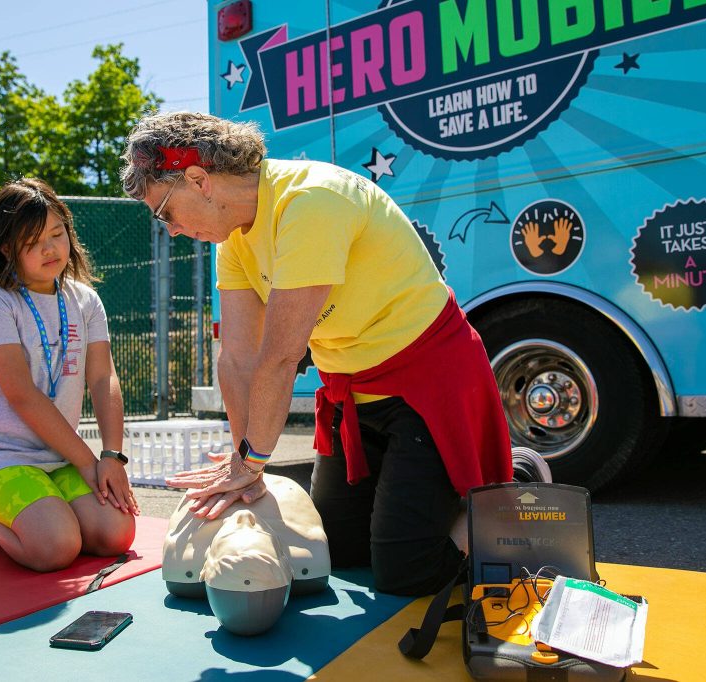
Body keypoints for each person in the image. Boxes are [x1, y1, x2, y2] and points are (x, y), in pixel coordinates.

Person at [121, 112, 548, 598]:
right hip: (353, 393)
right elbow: (238, 357)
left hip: (428, 383)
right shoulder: (234, 237)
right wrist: (245, 465)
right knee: (337, 552)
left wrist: (252, 463)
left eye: (164, 212)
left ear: (199, 180)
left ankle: (514, 478)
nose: (171, 230)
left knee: (408, 572)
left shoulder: (311, 200)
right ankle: (444, 488)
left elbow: (280, 357)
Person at [0, 178, 138, 573]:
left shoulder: (84, 299)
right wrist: (88, 464)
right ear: (6, 248)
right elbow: (23, 395)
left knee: (115, 534)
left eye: (57, 233)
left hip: (58, 456)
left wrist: (110, 457)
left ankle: (47, 502)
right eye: (33, 242)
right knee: (56, 546)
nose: (50, 248)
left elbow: (103, 378)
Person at [162, 472, 331, 635]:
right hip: (280, 492)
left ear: (204, 572)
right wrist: (249, 464)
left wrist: (248, 465)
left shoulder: (180, 558)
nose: (244, 515)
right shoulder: (310, 549)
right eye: (254, 527)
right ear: (290, 570)